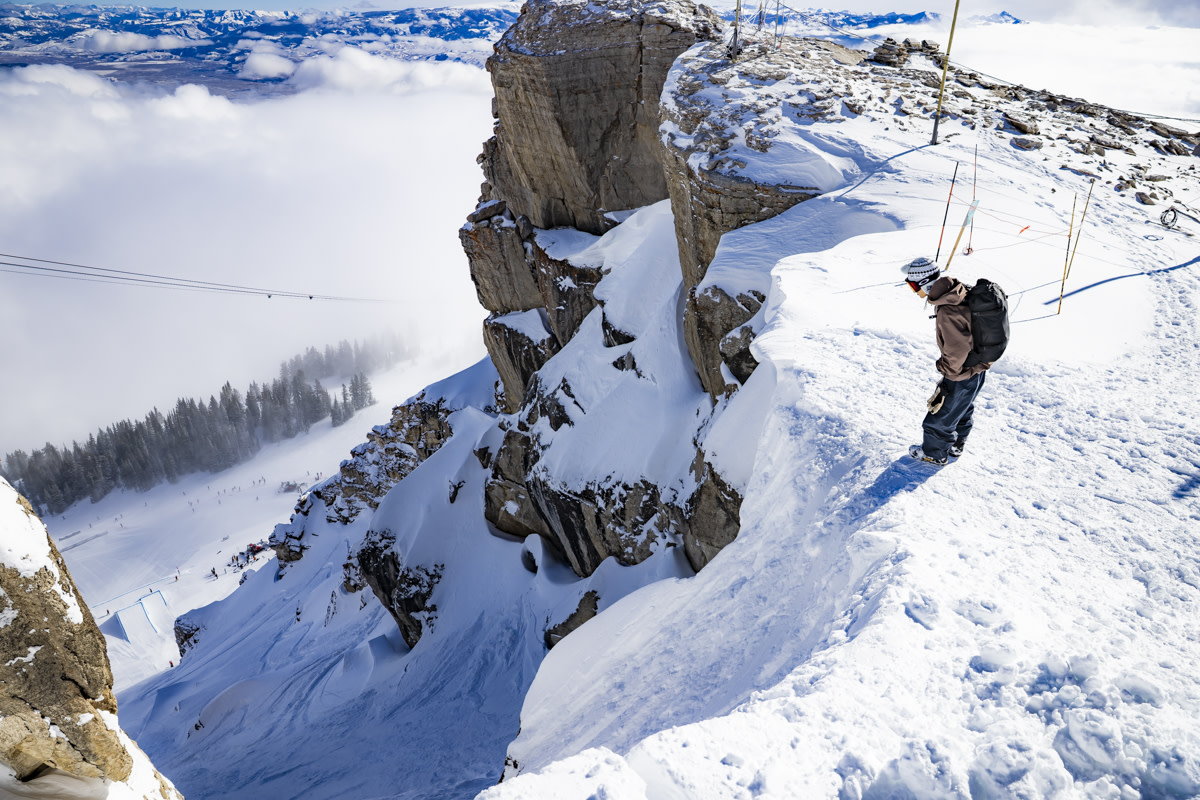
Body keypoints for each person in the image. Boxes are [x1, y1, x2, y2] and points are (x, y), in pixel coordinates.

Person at [902, 256, 993, 466]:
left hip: (962, 370)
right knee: (963, 406)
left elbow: (957, 348)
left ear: (923, 283)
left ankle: (934, 454)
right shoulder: (954, 291)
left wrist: (946, 369)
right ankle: (956, 445)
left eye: (912, 285)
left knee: (943, 411)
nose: (913, 290)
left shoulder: (948, 308)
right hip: (977, 365)